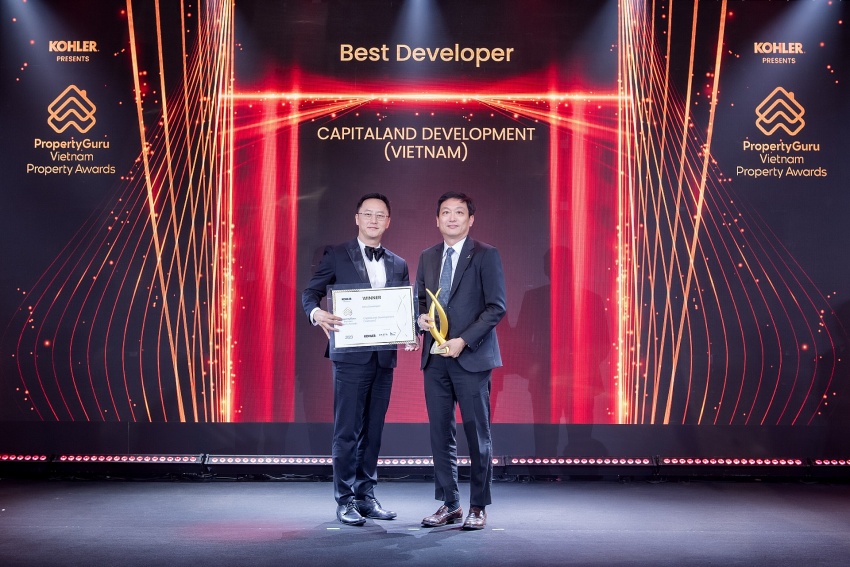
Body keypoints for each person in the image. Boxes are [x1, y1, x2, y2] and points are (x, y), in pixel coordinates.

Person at [302, 193, 416, 526]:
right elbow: (310, 293)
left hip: (384, 358)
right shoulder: (336, 255)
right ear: (357, 218)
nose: (373, 220)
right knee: (347, 431)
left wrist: (410, 331)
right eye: (368, 214)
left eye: (380, 215)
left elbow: (403, 308)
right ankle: (345, 499)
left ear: (388, 222)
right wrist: (317, 314)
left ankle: (366, 496)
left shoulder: (398, 263)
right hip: (350, 358)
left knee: (373, 431)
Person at [415, 191, 507, 530]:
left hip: (471, 357)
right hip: (435, 360)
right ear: (436, 220)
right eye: (445, 212)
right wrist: (419, 320)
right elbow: (419, 302)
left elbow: (496, 307)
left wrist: (463, 341)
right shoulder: (427, 256)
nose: (452, 218)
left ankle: (478, 506)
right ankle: (450, 504)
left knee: (477, 434)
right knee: (440, 433)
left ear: (471, 219)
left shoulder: (486, 254)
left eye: (459, 212)